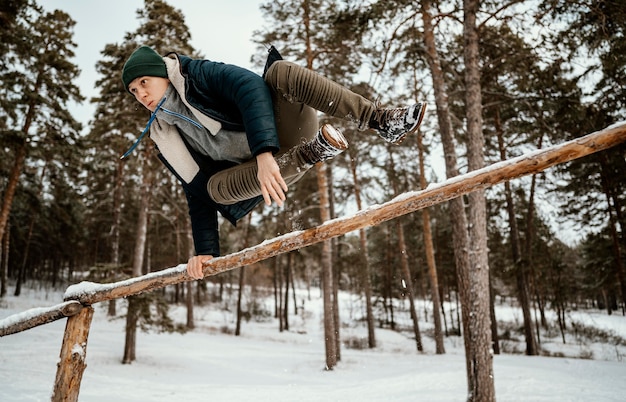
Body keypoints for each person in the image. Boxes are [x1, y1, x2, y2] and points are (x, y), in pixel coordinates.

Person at [121, 45, 426, 280]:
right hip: (261, 174)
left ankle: (380, 119)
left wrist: (264, 153)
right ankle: (313, 153)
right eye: (134, 91)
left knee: (279, 73)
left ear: (163, 71)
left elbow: (250, 87)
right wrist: (205, 251)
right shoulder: (165, 132)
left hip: (283, 131)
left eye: (144, 82)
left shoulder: (197, 76)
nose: (141, 94)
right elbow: (196, 191)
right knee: (213, 189)